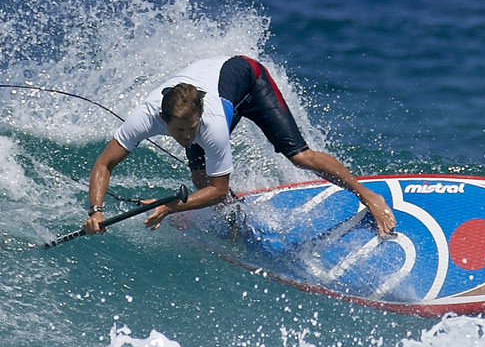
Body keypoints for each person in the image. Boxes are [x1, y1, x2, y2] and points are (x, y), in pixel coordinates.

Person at [80, 55, 397, 237]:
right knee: (199, 179)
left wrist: (169, 206)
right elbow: (104, 164)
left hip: (249, 79)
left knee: (299, 156)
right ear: (163, 120)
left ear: (199, 116)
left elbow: (219, 189)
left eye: (193, 129)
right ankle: (236, 224)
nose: (188, 137)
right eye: (181, 131)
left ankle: (369, 195)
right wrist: (96, 211)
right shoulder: (146, 117)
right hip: (214, 88)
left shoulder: (209, 123)